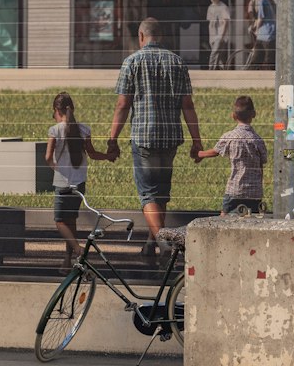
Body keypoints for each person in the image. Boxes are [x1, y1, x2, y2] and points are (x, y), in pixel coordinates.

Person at [107, 17, 204, 250]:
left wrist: (112, 140)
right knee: (161, 193)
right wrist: (196, 142)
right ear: (160, 36)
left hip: (144, 138)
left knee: (148, 195)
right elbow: (188, 106)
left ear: (141, 36)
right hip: (170, 138)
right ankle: (153, 243)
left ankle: (164, 244)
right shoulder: (177, 62)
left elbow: (122, 105)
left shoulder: (132, 62)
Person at [45, 91, 109, 270]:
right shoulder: (84, 129)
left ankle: (77, 250)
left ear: (57, 110)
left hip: (62, 183)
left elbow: (48, 156)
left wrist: (55, 168)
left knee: (60, 221)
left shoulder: (54, 130)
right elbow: (93, 154)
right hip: (79, 183)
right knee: (71, 221)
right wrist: (108, 156)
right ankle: (67, 260)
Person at [199, 95, 267, 214]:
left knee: (224, 218)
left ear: (233, 116)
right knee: (253, 220)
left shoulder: (229, 136)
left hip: (235, 189)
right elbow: (263, 162)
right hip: (255, 192)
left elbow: (215, 152)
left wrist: (199, 154)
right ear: (254, 114)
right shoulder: (258, 140)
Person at [247, 0, 276, 69]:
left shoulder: (263, 1)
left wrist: (255, 29)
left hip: (268, 35)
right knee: (257, 58)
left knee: (268, 61)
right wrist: (253, 27)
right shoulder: (262, 0)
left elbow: (260, 19)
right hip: (263, 35)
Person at [206, 0, 231, 70]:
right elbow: (210, 23)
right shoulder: (210, 7)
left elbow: (226, 22)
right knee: (218, 57)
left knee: (214, 54)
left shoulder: (223, 7)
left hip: (220, 35)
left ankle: (210, 72)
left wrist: (222, 36)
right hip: (213, 36)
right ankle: (221, 73)